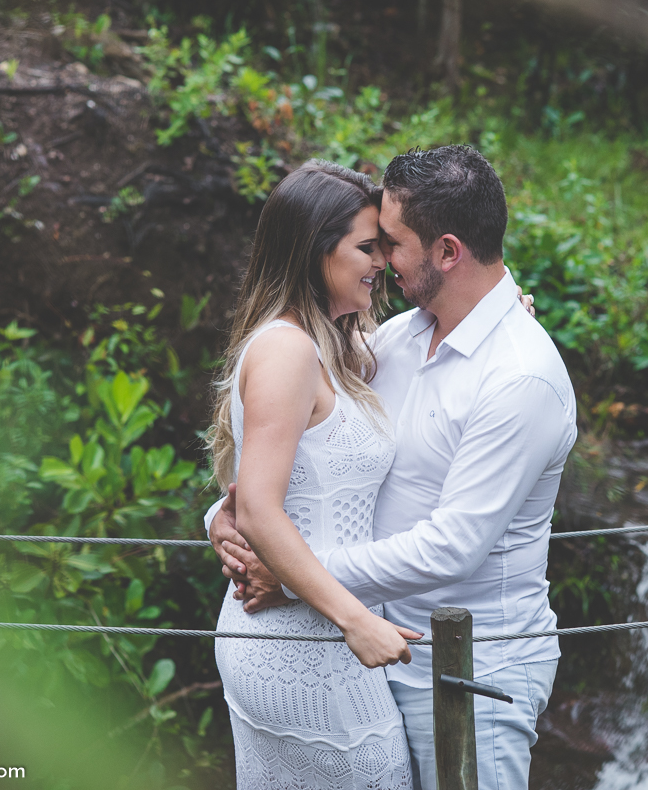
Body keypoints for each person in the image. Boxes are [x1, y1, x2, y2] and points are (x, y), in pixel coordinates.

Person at [208, 145, 579, 790]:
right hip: (365, 652)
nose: (382, 261)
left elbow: (452, 547)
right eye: (371, 244)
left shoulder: (520, 377)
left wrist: (293, 576)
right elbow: (307, 451)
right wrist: (228, 516)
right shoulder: (397, 339)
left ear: (448, 251)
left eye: (392, 242)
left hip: (467, 668)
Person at [206, 159, 422, 790]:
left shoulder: (339, 344)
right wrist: (357, 620)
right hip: (301, 644)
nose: (381, 262)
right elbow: (263, 509)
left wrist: (503, 314)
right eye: (365, 247)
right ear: (313, 251)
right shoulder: (286, 349)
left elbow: (264, 489)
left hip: (322, 635)